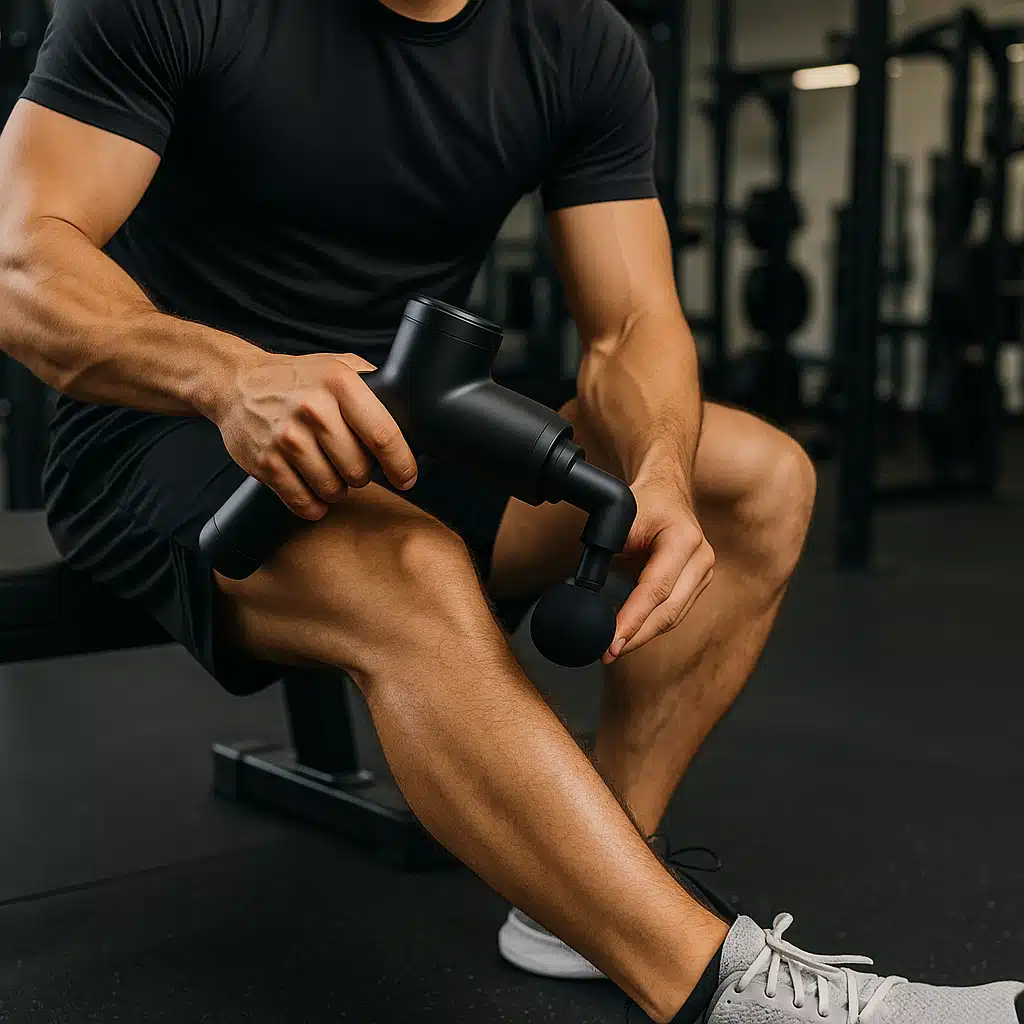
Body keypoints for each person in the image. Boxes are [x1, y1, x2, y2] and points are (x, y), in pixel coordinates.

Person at [0, 0, 1019, 1020]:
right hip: (158, 424)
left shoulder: (577, 41)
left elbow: (628, 324)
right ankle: (720, 990)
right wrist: (231, 377)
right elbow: (19, 259)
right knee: (410, 566)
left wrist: (660, 464)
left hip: (405, 421)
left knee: (754, 477)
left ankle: (582, 893)